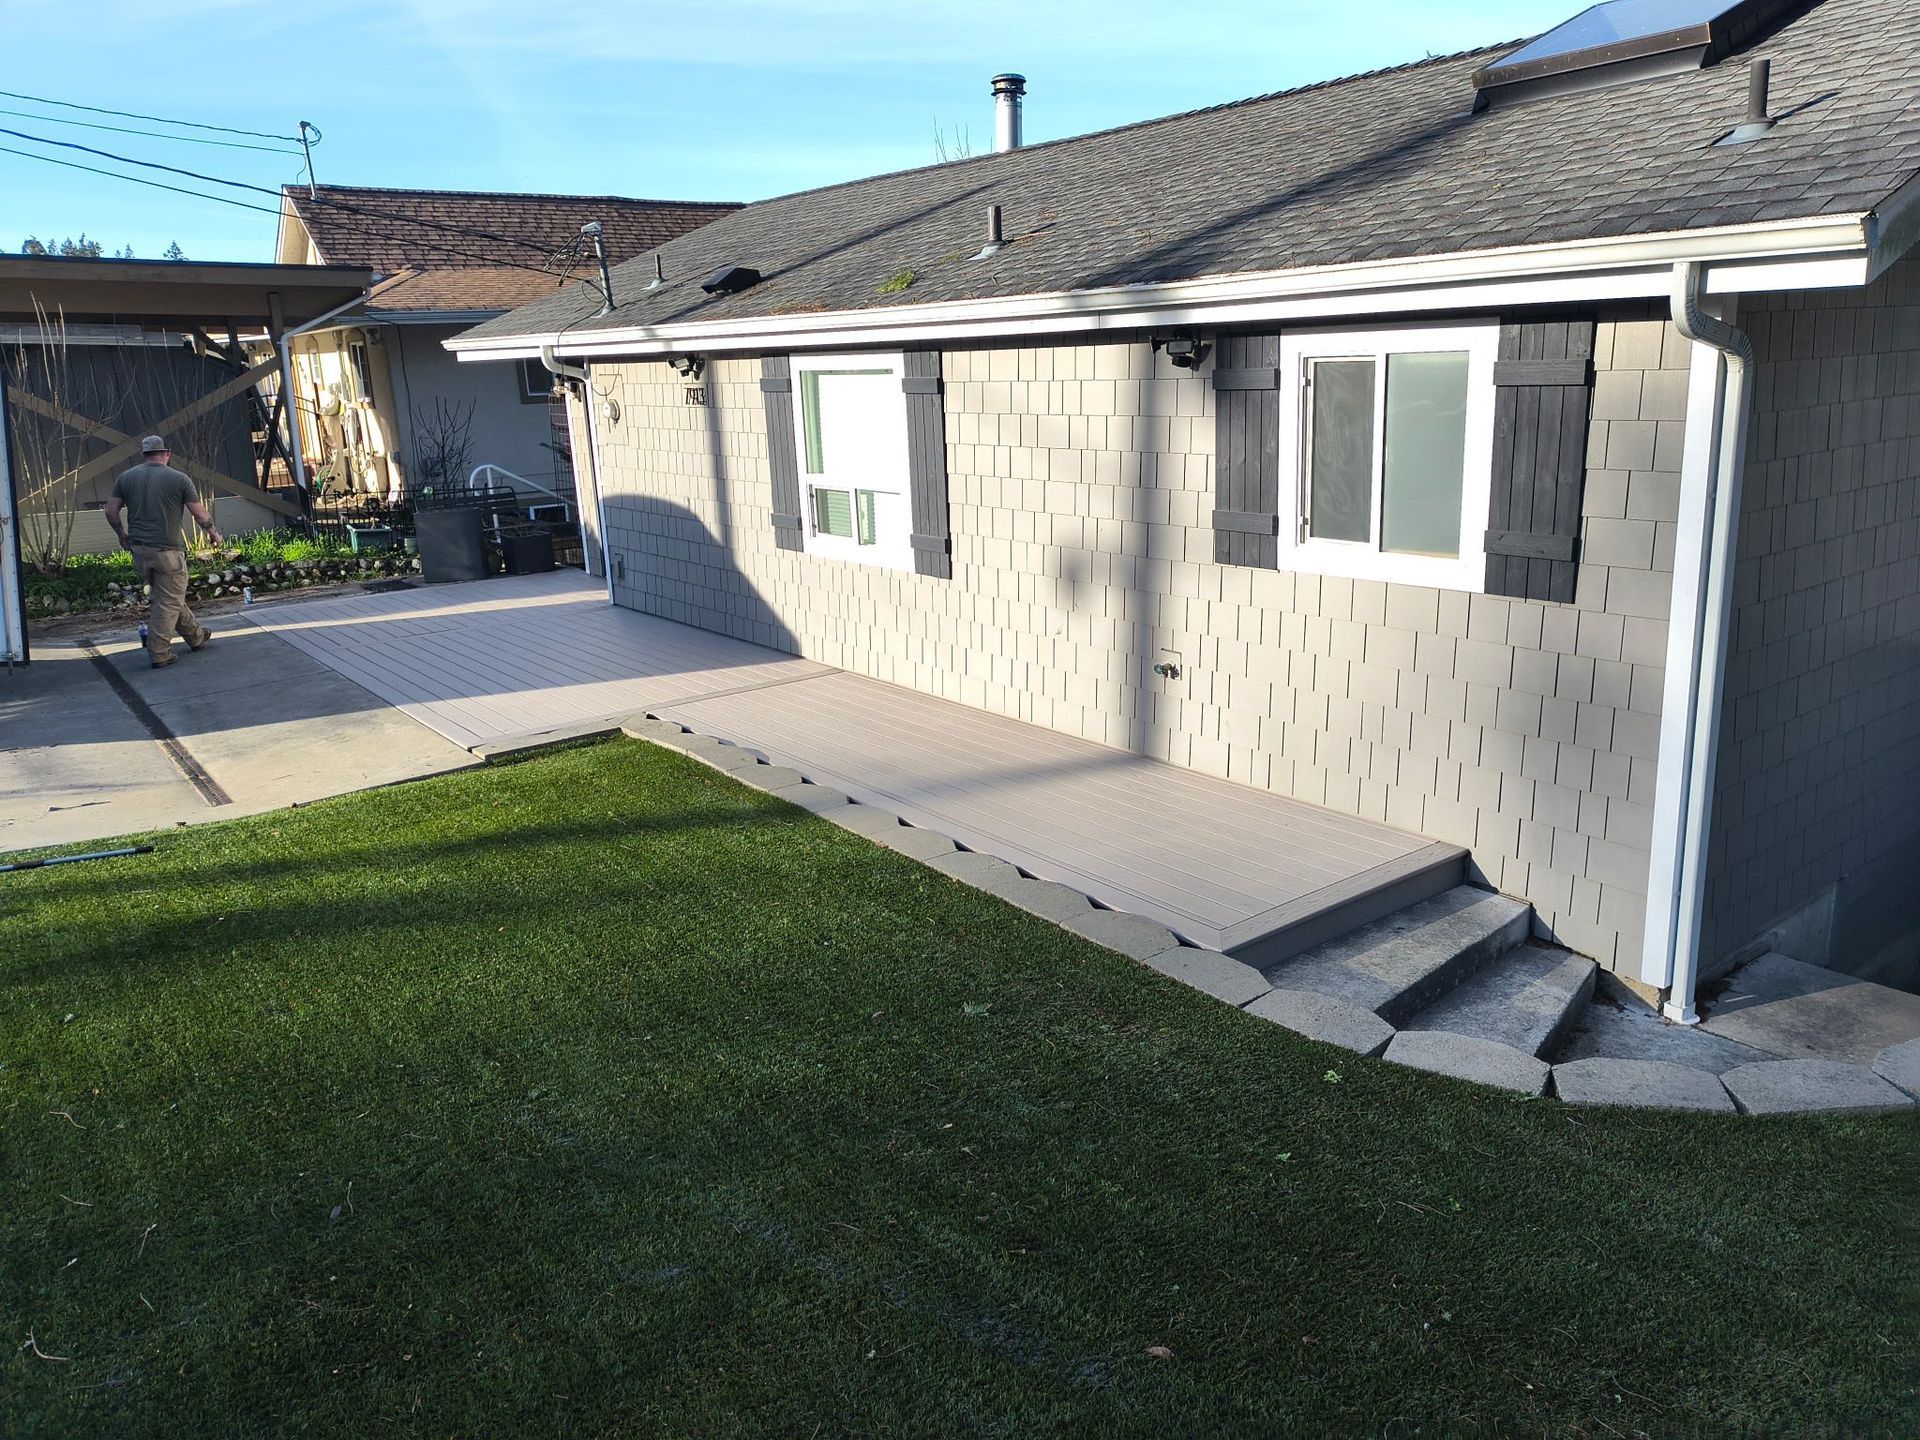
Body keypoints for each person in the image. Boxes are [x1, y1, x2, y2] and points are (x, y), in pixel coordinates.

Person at [104, 436, 223, 668]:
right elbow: (200, 514)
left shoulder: (125, 478)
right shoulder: (179, 478)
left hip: (139, 550)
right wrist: (214, 534)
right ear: (167, 454)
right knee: (168, 602)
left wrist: (121, 535)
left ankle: (196, 636)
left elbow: (110, 511)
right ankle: (159, 653)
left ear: (144, 454)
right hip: (167, 551)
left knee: (168, 596)